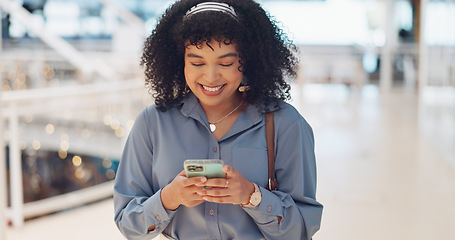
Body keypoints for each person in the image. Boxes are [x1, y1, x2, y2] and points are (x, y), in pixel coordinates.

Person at [113, 0, 323, 239]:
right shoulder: (152, 123)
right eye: (197, 62)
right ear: (179, 62)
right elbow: (127, 223)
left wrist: (252, 196)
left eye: (226, 63)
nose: (211, 77)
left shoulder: (286, 124)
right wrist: (168, 198)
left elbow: (301, 229)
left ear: (247, 61)